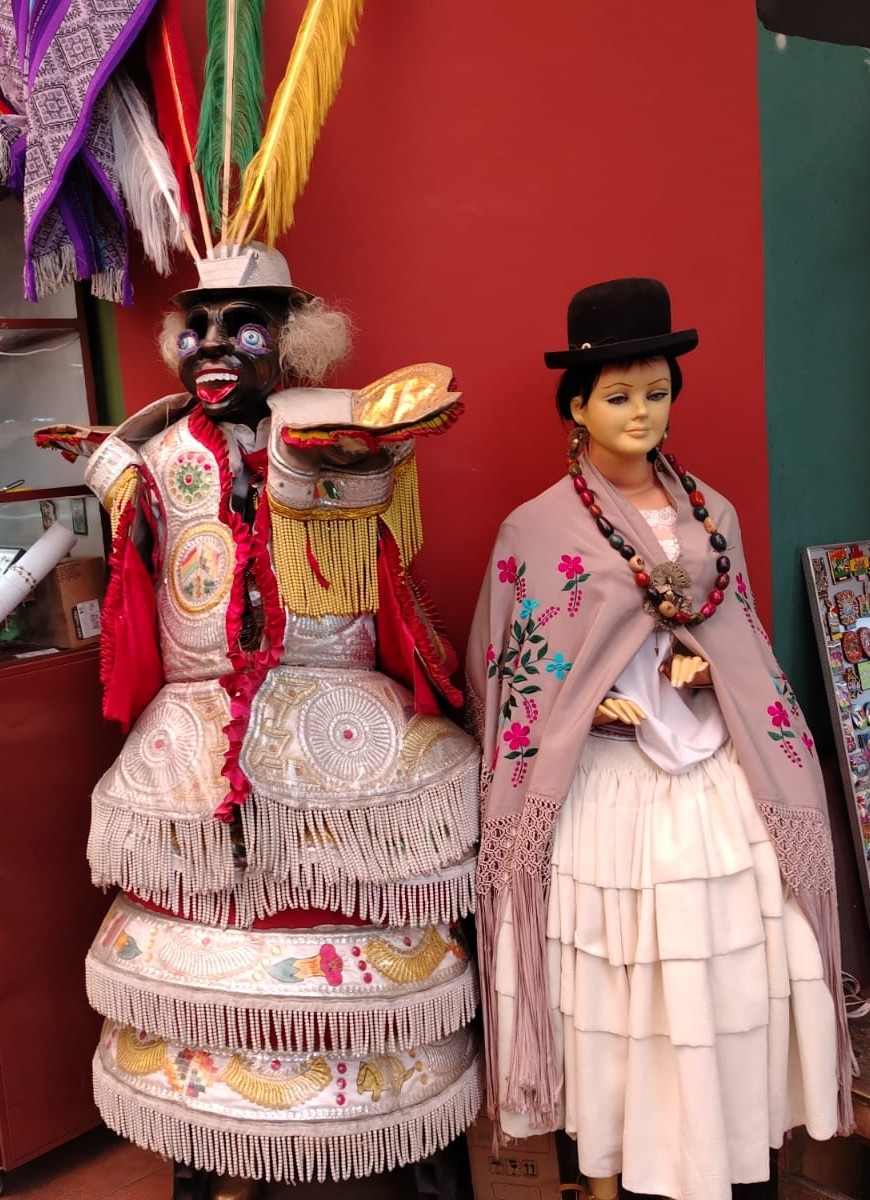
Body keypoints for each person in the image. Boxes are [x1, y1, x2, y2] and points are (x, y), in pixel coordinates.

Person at [40, 244, 482, 1198]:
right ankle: (208, 1147)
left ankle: (404, 1140)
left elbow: (383, 551)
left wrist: (361, 458)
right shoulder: (157, 454)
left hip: (333, 708)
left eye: (244, 329)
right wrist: (114, 473)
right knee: (199, 947)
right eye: (195, 328)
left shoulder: (341, 432)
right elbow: (141, 575)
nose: (213, 347)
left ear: (293, 341)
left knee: (366, 915)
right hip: (195, 728)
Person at [467, 278, 852, 1200]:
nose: (641, 413)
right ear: (576, 407)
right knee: (619, 990)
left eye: (656, 392)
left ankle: (728, 1152)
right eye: (617, 396)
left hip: (715, 780)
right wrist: (589, 707)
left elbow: (743, 643)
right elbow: (510, 664)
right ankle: (607, 1175)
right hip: (607, 790)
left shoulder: (711, 514)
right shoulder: (537, 529)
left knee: (721, 981)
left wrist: (706, 670)